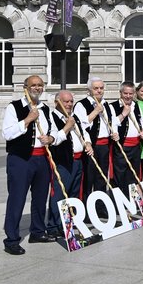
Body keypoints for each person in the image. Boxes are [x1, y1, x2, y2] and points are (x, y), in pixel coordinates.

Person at [2, 75, 58, 255]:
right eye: (33, 85)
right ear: (25, 87)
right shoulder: (14, 106)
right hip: (21, 159)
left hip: (42, 158)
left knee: (41, 198)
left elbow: (54, 132)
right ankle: (11, 239)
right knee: (17, 198)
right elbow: (7, 133)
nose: (37, 88)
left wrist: (50, 138)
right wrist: (27, 120)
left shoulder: (46, 109)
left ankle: (37, 232)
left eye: (40, 85)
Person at [47, 90, 93, 238]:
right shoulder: (52, 117)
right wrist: (67, 126)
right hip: (63, 161)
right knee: (59, 193)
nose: (69, 104)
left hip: (78, 160)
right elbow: (55, 139)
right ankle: (54, 225)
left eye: (71, 101)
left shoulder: (75, 117)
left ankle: (68, 223)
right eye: (66, 101)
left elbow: (84, 132)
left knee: (74, 193)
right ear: (57, 102)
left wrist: (88, 143)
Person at [74, 77, 119, 202]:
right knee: (89, 178)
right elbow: (80, 124)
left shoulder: (107, 105)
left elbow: (113, 122)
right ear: (89, 90)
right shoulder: (81, 105)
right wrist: (95, 112)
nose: (99, 91)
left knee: (102, 178)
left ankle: (100, 206)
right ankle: (87, 207)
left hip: (104, 146)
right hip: (91, 146)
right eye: (96, 88)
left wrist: (114, 133)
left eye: (101, 88)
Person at [111, 81, 143, 196]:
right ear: (120, 93)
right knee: (119, 175)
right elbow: (111, 124)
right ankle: (119, 201)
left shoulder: (136, 105)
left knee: (133, 175)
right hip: (122, 146)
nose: (128, 96)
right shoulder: (113, 106)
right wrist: (123, 114)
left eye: (130, 94)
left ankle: (131, 200)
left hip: (135, 146)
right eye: (125, 93)